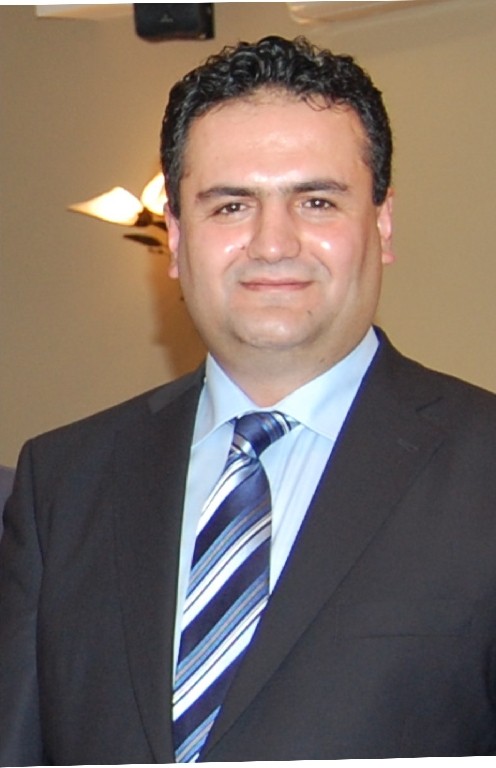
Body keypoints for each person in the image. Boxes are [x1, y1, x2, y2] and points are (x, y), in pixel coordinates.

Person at [1, 34, 496, 766]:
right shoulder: (62, 483)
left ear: (382, 224)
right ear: (176, 238)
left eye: (317, 201)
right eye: (231, 206)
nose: (272, 243)